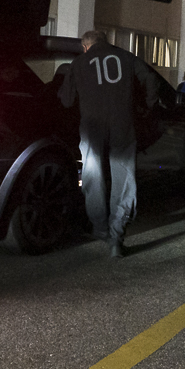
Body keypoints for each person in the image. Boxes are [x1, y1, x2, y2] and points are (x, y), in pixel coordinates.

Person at [59, 30, 158, 258]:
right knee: (124, 179)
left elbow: (66, 101)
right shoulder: (126, 57)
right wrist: (148, 106)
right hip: (122, 125)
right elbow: (151, 79)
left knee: (93, 177)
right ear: (106, 41)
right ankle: (116, 237)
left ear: (86, 46)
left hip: (92, 128)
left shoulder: (78, 63)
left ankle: (99, 227)